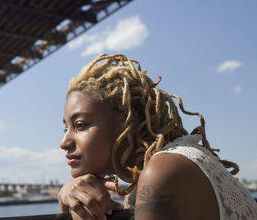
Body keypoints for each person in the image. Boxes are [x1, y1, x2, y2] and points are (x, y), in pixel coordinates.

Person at [58, 53, 257, 220]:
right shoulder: (150, 178)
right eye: (65, 128)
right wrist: (72, 194)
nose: (64, 142)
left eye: (80, 125)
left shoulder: (162, 173)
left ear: (127, 122)